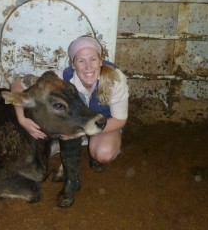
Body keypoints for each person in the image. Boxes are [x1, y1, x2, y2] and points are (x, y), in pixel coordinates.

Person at [10, 36, 129, 172]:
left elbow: (120, 120)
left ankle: (92, 140)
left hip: (105, 122)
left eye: (93, 59)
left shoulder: (115, 79)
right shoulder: (62, 78)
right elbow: (16, 85)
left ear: (100, 61)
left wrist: (80, 133)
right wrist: (21, 119)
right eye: (81, 60)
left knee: (103, 154)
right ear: (73, 64)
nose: (88, 66)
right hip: (78, 121)